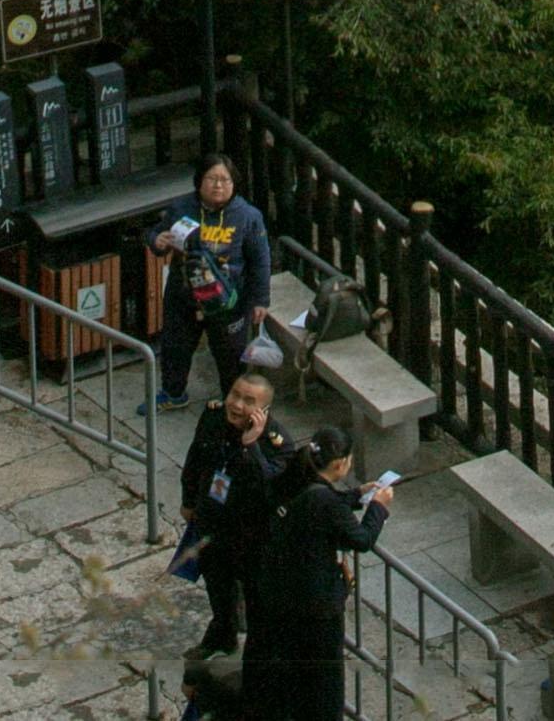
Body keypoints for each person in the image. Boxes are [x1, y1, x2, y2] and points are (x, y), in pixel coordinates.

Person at [232, 428, 387, 721]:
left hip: (280, 596)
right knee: (323, 689)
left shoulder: (299, 479)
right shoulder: (324, 502)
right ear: (341, 464)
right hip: (314, 610)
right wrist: (378, 507)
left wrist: (356, 495)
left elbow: (321, 503)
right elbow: (361, 539)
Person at [168, 365, 296, 717]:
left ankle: (255, 661)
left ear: (264, 410)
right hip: (213, 529)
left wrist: (251, 445)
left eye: (248, 400)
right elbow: (195, 461)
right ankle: (223, 632)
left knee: (257, 606)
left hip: (251, 540)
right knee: (219, 592)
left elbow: (269, 488)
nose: (237, 404)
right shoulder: (212, 418)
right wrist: (189, 500)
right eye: (235, 395)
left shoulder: (277, 446)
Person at [142, 157, 280, 410]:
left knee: (229, 355)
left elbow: (261, 260)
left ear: (234, 183)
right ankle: (173, 394)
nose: (218, 186)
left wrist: (261, 300)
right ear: (199, 181)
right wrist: (156, 241)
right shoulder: (181, 208)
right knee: (175, 348)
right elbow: (155, 234)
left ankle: (232, 401)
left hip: (228, 301)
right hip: (183, 295)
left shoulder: (248, 216)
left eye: (224, 180)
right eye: (212, 179)